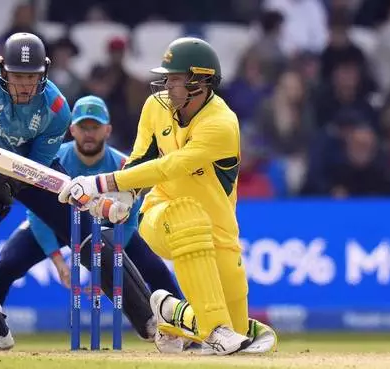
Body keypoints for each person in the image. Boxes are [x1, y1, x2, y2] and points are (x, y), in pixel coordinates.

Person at [0, 32, 165, 351]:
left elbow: (37, 163)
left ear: (45, 72)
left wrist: (8, 183)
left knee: (88, 234)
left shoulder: (56, 107)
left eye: (32, 77)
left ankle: (149, 321)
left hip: (32, 167)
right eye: (18, 76)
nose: (25, 85)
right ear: (2, 69)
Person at [57, 37, 278, 355]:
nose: (165, 85)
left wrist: (101, 183)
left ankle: (171, 311)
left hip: (219, 230)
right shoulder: (155, 107)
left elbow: (171, 166)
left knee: (240, 333)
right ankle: (213, 330)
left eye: (174, 79)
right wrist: (126, 195)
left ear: (199, 81)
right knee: (186, 216)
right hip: (162, 214)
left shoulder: (221, 124)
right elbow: (142, 158)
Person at [0, 95, 182, 344]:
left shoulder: (123, 164)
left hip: (104, 228)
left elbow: (127, 223)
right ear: (72, 129)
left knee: (155, 268)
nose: (89, 134)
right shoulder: (55, 158)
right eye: (83, 127)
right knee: (7, 265)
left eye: (95, 127)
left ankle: (186, 327)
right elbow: (39, 212)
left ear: (108, 130)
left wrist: (105, 261)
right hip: (52, 223)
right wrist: (59, 261)